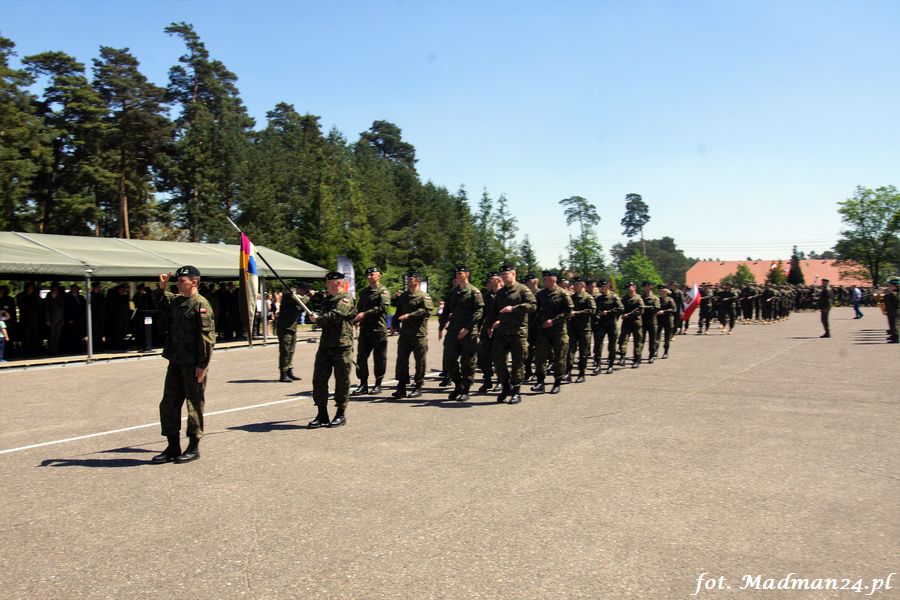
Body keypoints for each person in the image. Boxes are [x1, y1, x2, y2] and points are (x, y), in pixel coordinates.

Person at [151, 266, 215, 463]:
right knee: (168, 404)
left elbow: (207, 338)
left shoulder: (201, 304)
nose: (178, 283)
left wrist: (202, 365)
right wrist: (161, 287)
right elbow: (159, 301)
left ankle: (193, 447)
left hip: (193, 364)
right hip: (176, 362)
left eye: (182, 280)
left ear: (194, 282)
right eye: (177, 281)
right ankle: (173, 447)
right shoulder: (178, 301)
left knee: (193, 405)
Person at [308, 272, 356, 428]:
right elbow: (325, 317)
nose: (326, 285)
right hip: (325, 345)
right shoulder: (327, 300)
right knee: (319, 380)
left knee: (342, 380)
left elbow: (336, 315)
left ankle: (340, 413)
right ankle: (322, 414)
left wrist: (319, 319)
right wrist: (316, 317)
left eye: (329, 282)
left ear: (338, 283)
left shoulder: (346, 299)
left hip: (342, 346)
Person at [484, 263, 536, 404]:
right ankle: (506, 386)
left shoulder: (522, 290)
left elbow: (532, 306)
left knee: (517, 362)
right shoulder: (500, 293)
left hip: (518, 332)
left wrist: (513, 308)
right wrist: (489, 325)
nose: (503, 276)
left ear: (513, 274)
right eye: (502, 274)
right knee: (498, 359)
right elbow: (494, 311)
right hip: (502, 331)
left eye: (505, 273)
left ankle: (516, 391)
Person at [438, 266, 484, 401]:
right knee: (449, 359)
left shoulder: (474, 292)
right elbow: (446, 311)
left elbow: (479, 311)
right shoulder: (453, 293)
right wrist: (441, 326)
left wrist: (467, 328)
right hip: (453, 330)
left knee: (468, 361)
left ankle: (466, 389)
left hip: (468, 332)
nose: (458, 275)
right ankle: (458, 384)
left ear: (467, 274)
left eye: (460, 273)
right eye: (456, 273)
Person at [390, 271, 434, 399]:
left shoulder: (423, 296)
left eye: (411, 278)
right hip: (405, 334)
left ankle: (418, 386)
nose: (409, 280)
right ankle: (401, 386)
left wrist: (409, 315)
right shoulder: (404, 296)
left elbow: (427, 311)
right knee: (401, 360)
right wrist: (394, 325)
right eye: (408, 278)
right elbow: (399, 311)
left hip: (418, 334)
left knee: (420, 361)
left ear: (418, 280)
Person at [531, 270, 572, 394]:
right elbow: (535, 310)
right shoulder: (540, 294)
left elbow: (568, 311)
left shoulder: (562, 293)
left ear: (553, 280)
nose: (543, 281)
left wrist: (553, 321)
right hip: (543, 331)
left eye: (545, 279)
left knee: (560, 358)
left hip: (559, 332)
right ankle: (540, 382)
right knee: (540, 357)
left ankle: (557, 382)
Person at [352, 267, 390, 396]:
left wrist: (364, 314)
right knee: (361, 357)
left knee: (379, 358)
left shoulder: (383, 291)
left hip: (378, 329)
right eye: (368, 275)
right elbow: (359, 308)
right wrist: (355, 318)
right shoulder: (364, 292)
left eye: (372, 274)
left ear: (379, 276)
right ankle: (363, 384)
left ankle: (378, 384)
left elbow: (382, 308)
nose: (369, 277)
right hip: (365, 330)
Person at [276, 281, 311, 382]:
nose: (304, 293)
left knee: (291, 351)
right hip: (285, 328)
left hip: (292, 328)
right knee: (285, 351)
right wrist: (308, 296)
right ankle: (283, 373)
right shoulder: (289, 295)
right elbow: (300, 300)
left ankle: (289, 371)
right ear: (299, 289)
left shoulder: (298, 298)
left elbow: (302, 306)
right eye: (304, 291)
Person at [477, 272, 502, 393]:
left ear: (497, 280)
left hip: (501, 329)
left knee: (499, 357)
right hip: (487, 329)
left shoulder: (504, 294)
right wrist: (478, 327)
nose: (489, 282)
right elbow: (482, 313)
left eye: (491, 279)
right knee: (484, 356)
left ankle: (500, 381)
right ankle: (487, 380)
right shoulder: (486, 295)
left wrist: (499, 322)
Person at [566, 277, 595, 382]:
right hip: (573, 328)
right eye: (574, 284)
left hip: (584, 328)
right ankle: (568, 372)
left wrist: (577, 313)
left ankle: (581, 374)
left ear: (582, 285)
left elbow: (592, 310)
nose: (574, 286)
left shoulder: (588, 297)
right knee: (570, 351)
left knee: (583, 352)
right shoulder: (572, 297)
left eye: (576, 284)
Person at [592, 279, 622, 374]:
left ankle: (610, 366)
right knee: (598, 345)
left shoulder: (614, 297)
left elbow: (621, 308)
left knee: (612, 346)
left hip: (611, 324)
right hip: (601, 324)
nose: (602, 288)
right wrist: (596, 317)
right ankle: (598, 365)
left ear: (608, 287)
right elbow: (594, 309)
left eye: (604, 287)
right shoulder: (598, 298)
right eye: (601, 287)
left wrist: (609, 312)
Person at [618, 282, 645, 368]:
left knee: (637, 341)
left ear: (634, 288)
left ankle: (636, 359)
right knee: (623, 340)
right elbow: (620, 308)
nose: (629, 288)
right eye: (628, 287)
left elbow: (641, 310)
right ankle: (622, 357)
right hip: (626, 323)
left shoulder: (638, 298)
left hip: (636, 323)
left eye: (631, 286)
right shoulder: (624, 299)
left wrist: (629, 315)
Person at [640, 282, 660, 362]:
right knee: (641, 339)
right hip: (643, 321)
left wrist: (645, 307)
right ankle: (638, 355)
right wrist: (648, 307)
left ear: (650, 287)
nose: (645, 288)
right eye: (644, 286)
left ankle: (651, 355)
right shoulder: (641, 297)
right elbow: (638, 307)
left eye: (647, 286)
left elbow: (656, 308)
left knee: (652, 340)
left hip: (652, 322)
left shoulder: (655, 298)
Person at [656, 285, 677, 359]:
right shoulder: (657, 299)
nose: (660, 292)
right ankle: (655, 351)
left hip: (668, 320)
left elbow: (674, 309)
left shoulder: (670, 299)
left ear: (665, 291)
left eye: (661, 290)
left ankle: (665, 352)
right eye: (659, 290)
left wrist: (664, 311)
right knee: (657, 337)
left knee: (667, 338)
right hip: (659, 320)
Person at [883, 276, 899, 344]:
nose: (889, 286)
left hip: (896, 311)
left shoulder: (895, 293)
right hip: (892, 311)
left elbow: (896, 301)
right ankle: (893, 335)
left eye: (890, 285)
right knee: (892, 324)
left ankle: (896, 338)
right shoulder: (893, 293)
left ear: (895, 286)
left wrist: (888, 294)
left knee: (895, 324)